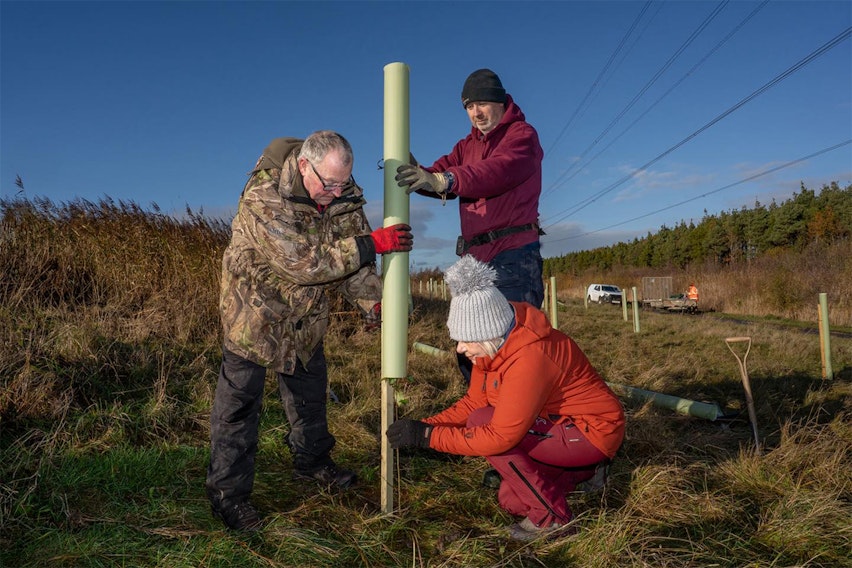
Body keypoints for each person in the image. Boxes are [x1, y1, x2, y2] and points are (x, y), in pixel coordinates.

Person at [206, 130, 413, 531]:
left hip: (305, 320)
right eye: (328, 183)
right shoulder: (264, 195)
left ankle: (313, 465)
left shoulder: (344, 196)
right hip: (255, 315)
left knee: (310, 399)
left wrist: (373, 301)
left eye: (342, 184)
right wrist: (370, 244)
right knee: (239, 409)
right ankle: (228, 496)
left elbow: (355, 263)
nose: (335, 193)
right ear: (304, 165)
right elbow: (303, 263)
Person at [386, 256, 625, 541]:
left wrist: (428, 437)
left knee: (483, 424)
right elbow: (474, 401)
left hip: (592, 430)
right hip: (556, 426)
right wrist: (421, 426)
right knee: (511, 501)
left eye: (466, 339)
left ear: (488, 333)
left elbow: (499, 436)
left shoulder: (530, 358)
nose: (460, 349)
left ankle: (553, 519)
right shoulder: (494, 347)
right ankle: (586, 472)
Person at [395, 68, 545, 384]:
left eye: (481, 104)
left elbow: (497, 171)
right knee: (470, 345)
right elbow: (437, 177)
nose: (475, 113)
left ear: (501, 101)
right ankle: (481, 414)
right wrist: (416, 171)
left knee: (512, 347)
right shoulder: (465, 147)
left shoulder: (522, 136)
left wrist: (446, 179)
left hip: (513, 257)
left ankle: (518, 421)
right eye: (468, 106)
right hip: (473, 260)